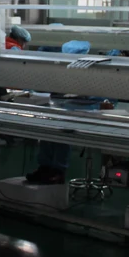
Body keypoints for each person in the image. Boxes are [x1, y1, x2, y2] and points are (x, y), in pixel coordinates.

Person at [27, 40, 90, 185]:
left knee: (62, 135)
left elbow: (94, 97)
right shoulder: (60, 68)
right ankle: (45, 167)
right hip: (58, 108)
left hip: (78, 111)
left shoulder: (90, 72)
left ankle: (58, 171)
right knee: (47, 131)